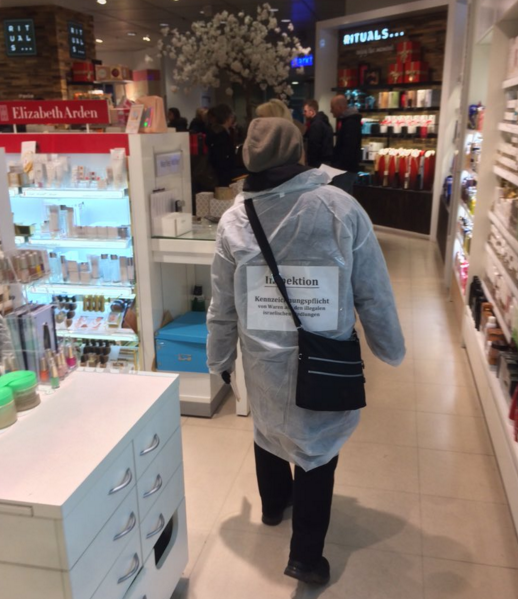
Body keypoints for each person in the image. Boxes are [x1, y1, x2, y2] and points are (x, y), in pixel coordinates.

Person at [206, 117, 405, 585]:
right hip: (323, 356)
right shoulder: (339, 207)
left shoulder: (235, 219)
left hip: (262, 357)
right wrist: (390, 348)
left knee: (267, 426)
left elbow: (222, 302)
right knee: (317, 450)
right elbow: (372, 290)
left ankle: (273, 506)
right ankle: (306, 557)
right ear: (299, 152)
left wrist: (219, 359)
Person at [330, 94, 363, 194]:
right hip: (347, 169)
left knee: (339, 196)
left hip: (344, 170)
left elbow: (348, 149)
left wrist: (337, 164)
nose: (331, 111)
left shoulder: (349, 124)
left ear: (339, 107)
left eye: (332, 107)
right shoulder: (351, 122)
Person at [205, 103, 236, 188]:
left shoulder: (213, 131)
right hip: (221, 176)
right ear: (227, 117)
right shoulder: (221, 135)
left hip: (214, 174)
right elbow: (222, 158)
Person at [302, 99, 333, 168]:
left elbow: (314, 146)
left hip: (318, 163)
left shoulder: (315, 125)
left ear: (312, 111)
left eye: (305, 111)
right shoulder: (324, 122)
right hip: (324, 161)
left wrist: (310, 162)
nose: (303, 113)